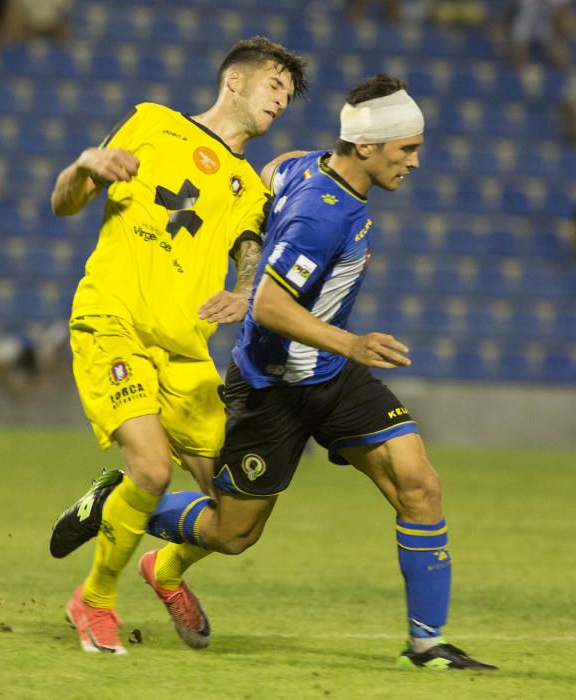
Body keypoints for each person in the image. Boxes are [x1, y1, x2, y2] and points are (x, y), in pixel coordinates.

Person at [53, 75, 496, 670]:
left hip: (332, 375)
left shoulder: (296, 165)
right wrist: (341, 336)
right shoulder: (322, 216)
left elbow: (261, 203)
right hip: (272, 386)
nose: (415, 162)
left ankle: (427, 644)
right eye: (407, 150)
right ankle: (125, 513)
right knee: (233, 532)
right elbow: (272, 307)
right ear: (367, 147)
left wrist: (247, 280)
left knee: (419, 483)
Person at [48, 37, 307, 655]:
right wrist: (87, 165)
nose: (282, 101)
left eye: (290, 96)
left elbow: (249, 255)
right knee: (154, 469)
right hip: (114, 321)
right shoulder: (152, 124)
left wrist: (245, 291)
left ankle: (162, 569)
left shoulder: (249, 186)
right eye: (275, 86)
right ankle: (95, 599)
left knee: (241, 518)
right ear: (235, 82)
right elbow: (64, 203)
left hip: (186, 354)